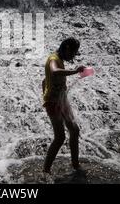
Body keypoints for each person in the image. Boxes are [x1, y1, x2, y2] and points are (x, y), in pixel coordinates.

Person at [42, 38, 85, 173]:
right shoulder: (53, 59)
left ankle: (75, 164)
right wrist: (74, 71)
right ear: (66, 48)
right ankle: (46, 169)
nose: (73, 56)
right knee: (60, 137)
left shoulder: (59, 59)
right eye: (73, 53)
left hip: (61, 100)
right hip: (54, 103)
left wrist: (51, 90)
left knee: (74, 130)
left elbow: (45, 80)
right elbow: (54, 71)